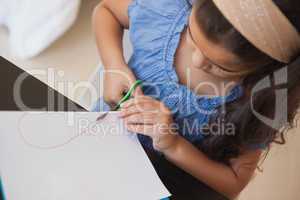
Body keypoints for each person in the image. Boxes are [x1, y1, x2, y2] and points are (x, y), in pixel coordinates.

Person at [92, 0, 300, 199]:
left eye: (221, 66)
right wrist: (113, 64)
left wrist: (173, 144)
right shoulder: (165, 10)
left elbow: (233, 184)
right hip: (99, 142)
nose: (197, 60)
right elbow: (106, 9)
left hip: (167, 182)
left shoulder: (263, 102)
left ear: (264, 67)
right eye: (192, 37)